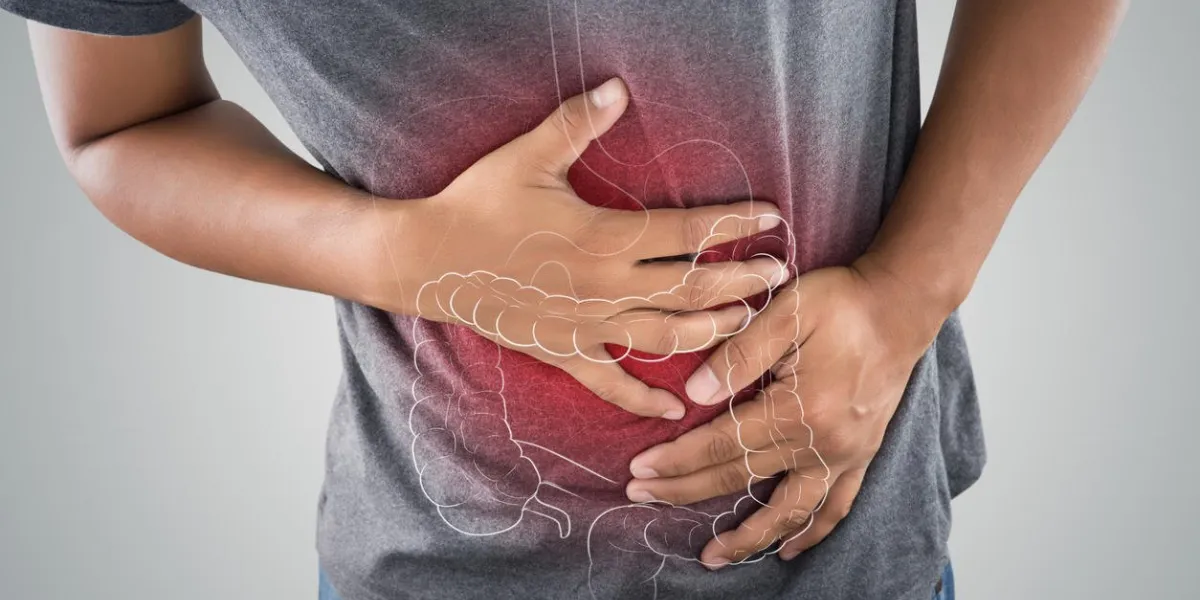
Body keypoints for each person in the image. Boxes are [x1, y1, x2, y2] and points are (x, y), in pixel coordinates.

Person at [0, 1, 1125, 598]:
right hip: (436, 570)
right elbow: (119, 125)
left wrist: (908, 288)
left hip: (845, 560)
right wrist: (403, 255)